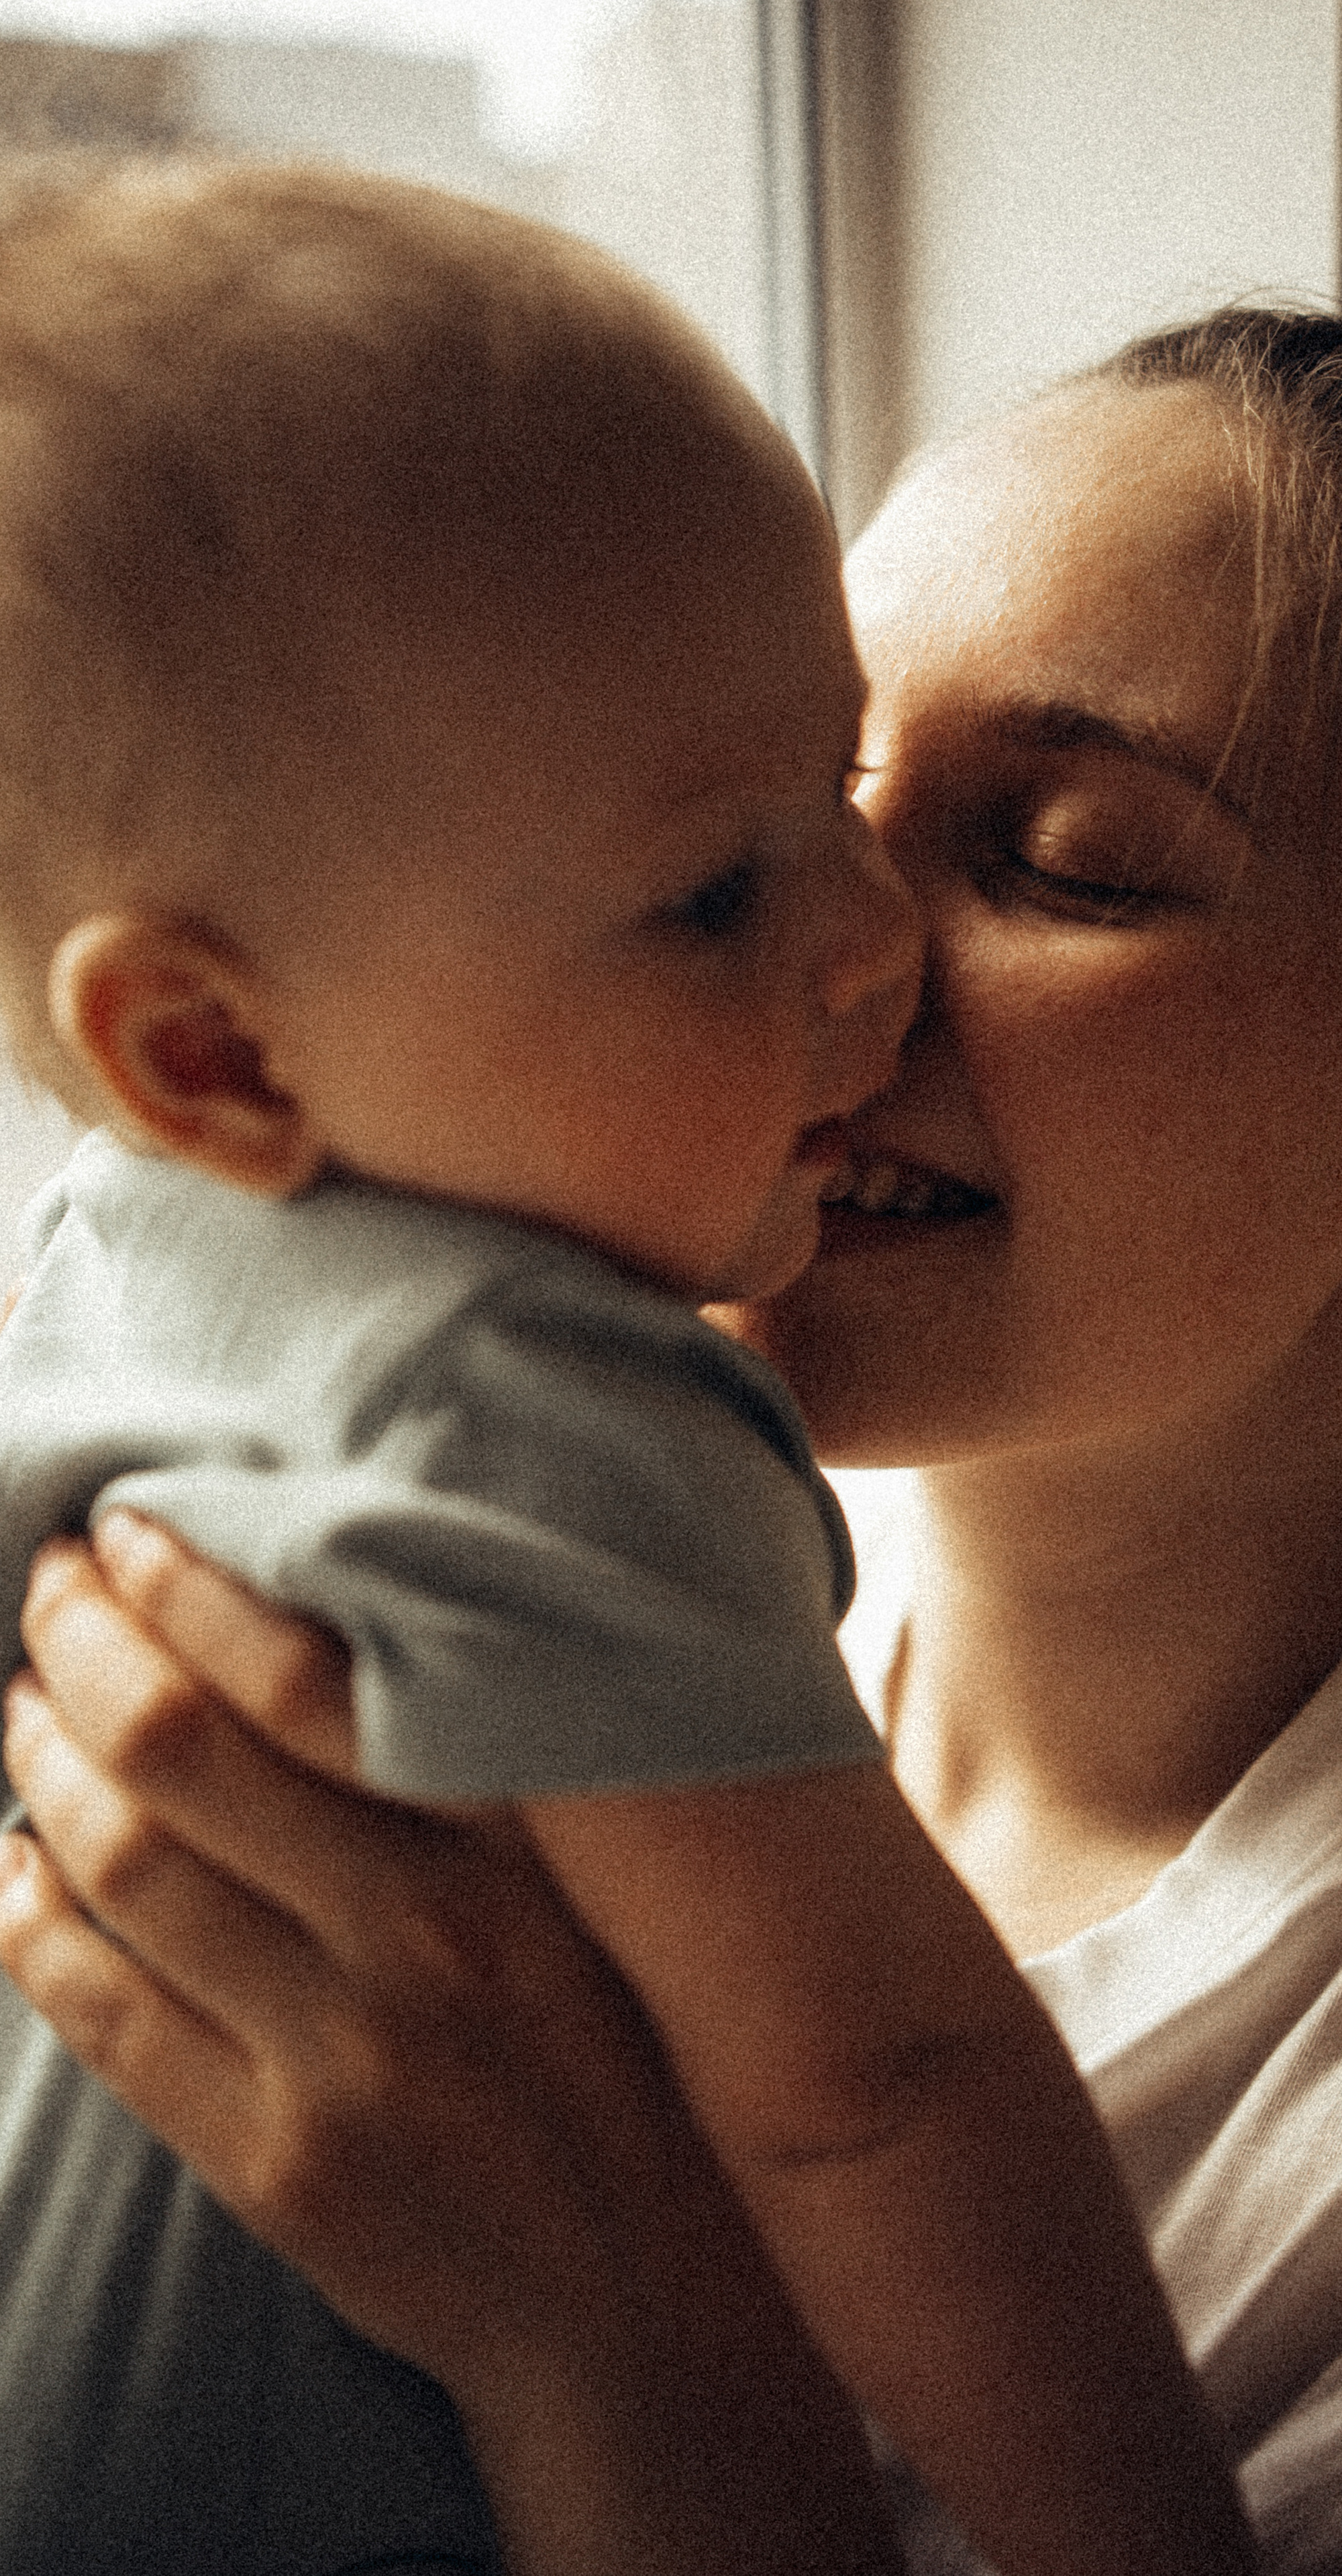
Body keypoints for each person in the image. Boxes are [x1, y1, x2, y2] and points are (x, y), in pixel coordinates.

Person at [3, 307, 1342, 2574]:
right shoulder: (369, 1499)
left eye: (1074, 859)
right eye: (785, 805)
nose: (838, 953)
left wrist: (618, 2355)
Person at [0, 163, 1248, 2576]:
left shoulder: (112, 1257)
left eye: (842, 777)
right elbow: (877, 2097)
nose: (873, 933)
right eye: (710, 893)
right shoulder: (529, 1393)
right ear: (210, 1053)